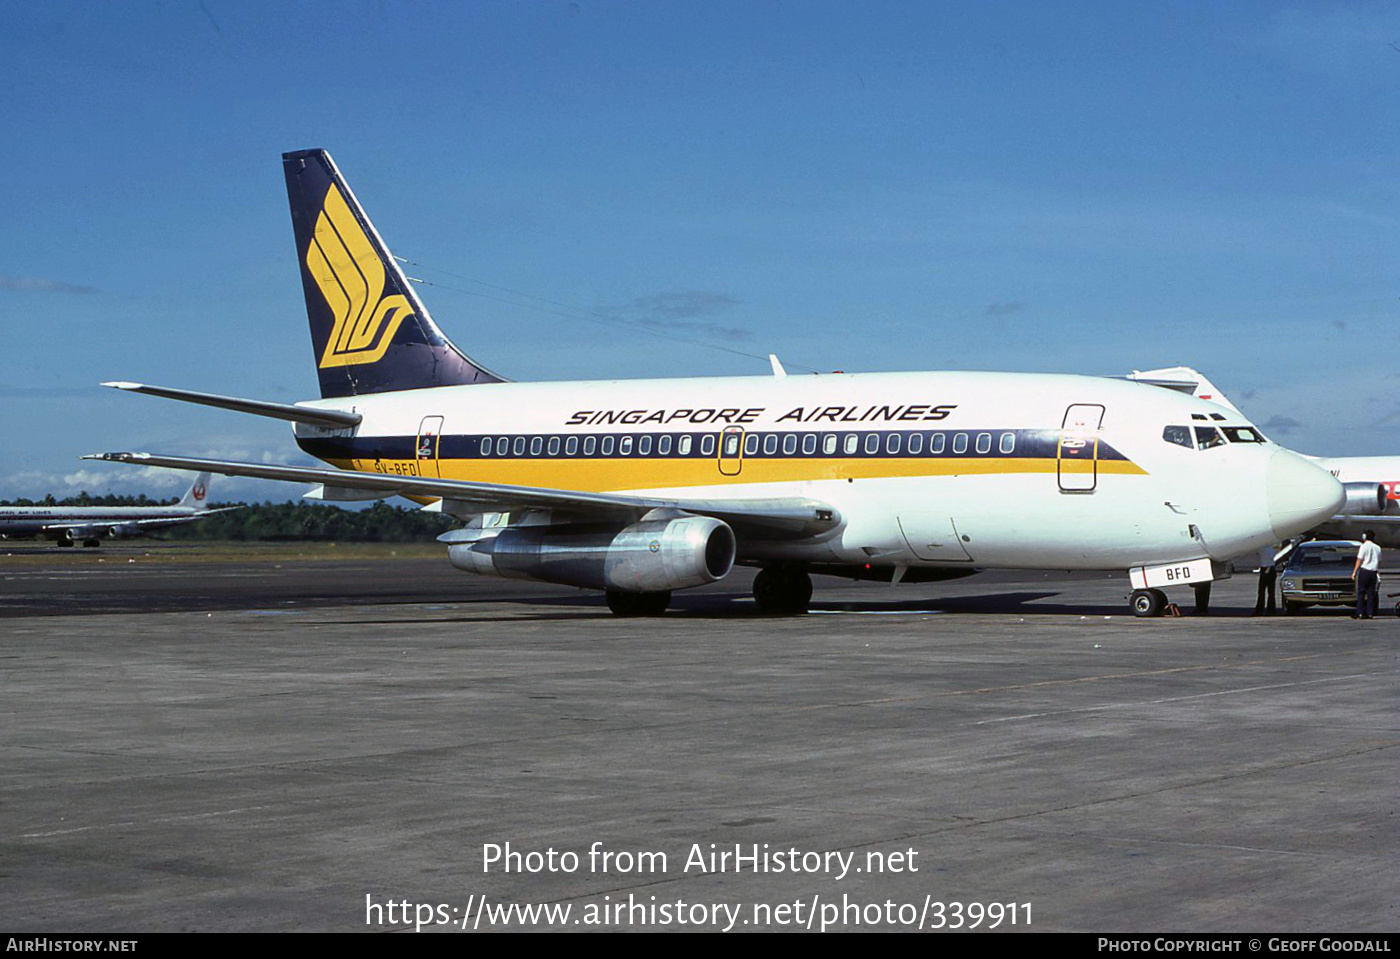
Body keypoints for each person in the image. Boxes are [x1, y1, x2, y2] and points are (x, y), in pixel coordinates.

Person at [1351, 530, 1382, 620]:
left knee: (1361, 592)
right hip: (1373, 572)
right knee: (1371, 593)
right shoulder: (1378, 548)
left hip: (1365, 571)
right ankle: (1370, 613)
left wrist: (1354, 572)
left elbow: (1359, 560)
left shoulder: (1363, 547)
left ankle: (1359, 612)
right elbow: (1379, 561)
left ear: (1364, 537)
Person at [1254, 542, 1283, 615]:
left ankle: (1259, 610)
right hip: (1272, 569)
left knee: (1261, 591)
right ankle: (1271, 610)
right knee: (1271, 592)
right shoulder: (1271, 549)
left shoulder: (1261, 548)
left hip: (1264, 569)